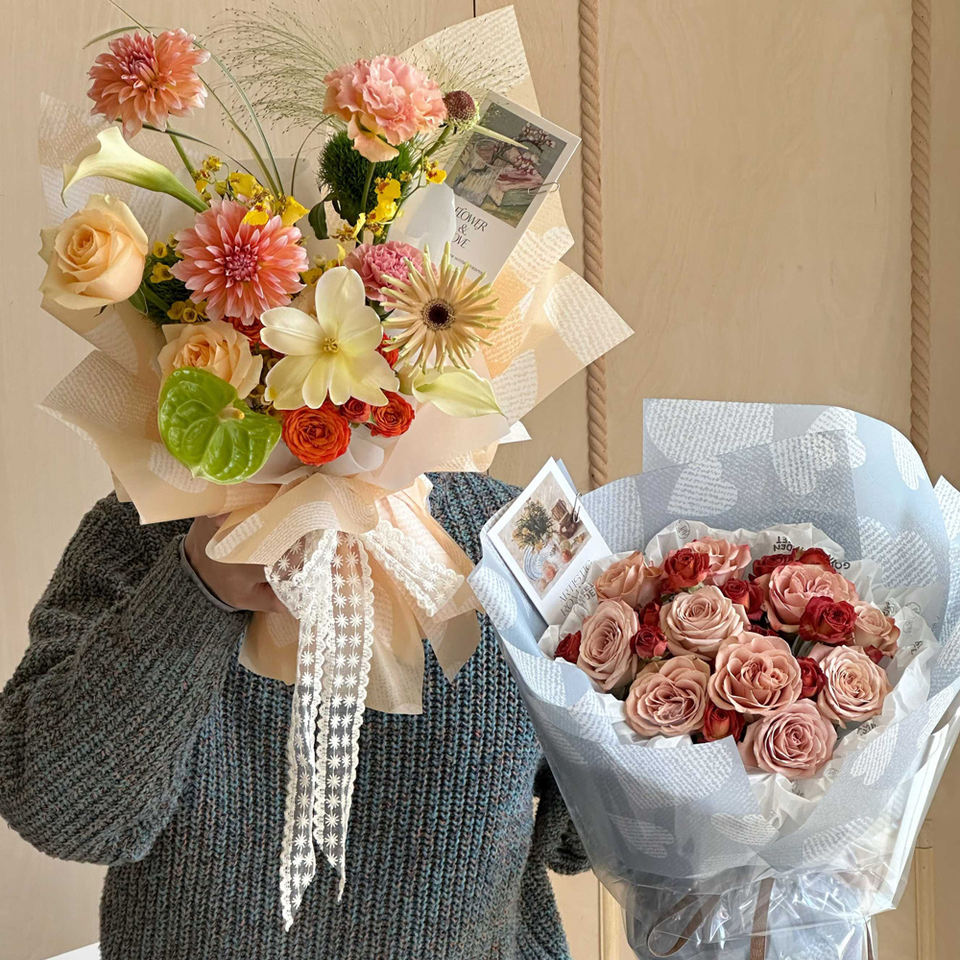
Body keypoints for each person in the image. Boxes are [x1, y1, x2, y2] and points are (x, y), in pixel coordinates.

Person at [0, 471, 588, 959]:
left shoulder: (521, 532)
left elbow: (580, 842)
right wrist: (195, 585)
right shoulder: (147, 520)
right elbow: (60, 813)